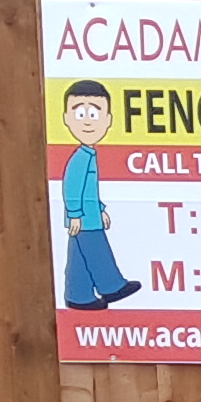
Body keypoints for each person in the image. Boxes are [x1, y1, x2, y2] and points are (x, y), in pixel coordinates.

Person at [59, 79, 140, 309]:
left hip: (91, 214)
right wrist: (74, 214)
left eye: (94, 114)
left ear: (107, 120)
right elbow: (71, 187)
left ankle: (79, 297)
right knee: (96, 250)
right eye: (79, 112)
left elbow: (90, 189)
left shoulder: (89, 155)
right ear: (66, 118)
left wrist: (102, 209)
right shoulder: (79, 159)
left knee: (79, 258)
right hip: (84, 219)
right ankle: (111, 286)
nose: (86, 121)